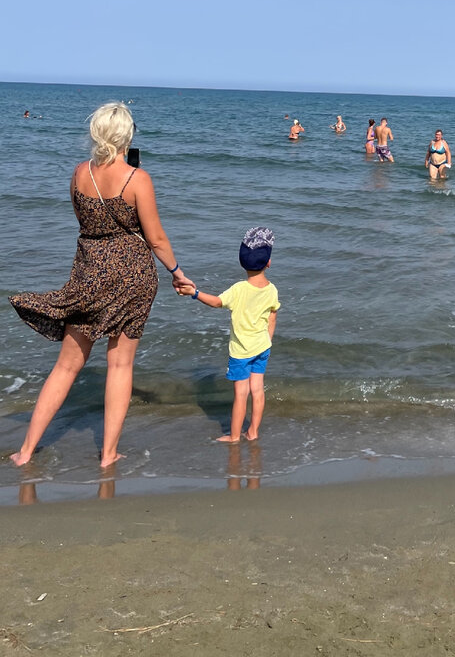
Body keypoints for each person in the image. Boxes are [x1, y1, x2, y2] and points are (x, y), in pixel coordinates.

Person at [8, 102, 194, 467]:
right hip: (132, 277)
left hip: (88, 273)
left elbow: (86, 224)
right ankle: (108, 455)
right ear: (127, 135)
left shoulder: (79, 174)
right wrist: (177, 271)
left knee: (66, 366)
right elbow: (155, 239)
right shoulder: (137, 179)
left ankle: (25, 451)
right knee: (120, 366)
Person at [179, 227, 280, 443]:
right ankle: (253, 432)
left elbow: (216, 302)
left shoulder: (238, 290)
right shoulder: (272, 289)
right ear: (268, 263)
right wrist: (267, 341)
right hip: (262, 347)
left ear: (242, 263)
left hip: (241, 352)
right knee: (258, 390)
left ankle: (234, 436)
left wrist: (194, 293)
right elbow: (273, 317)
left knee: (241, 395)